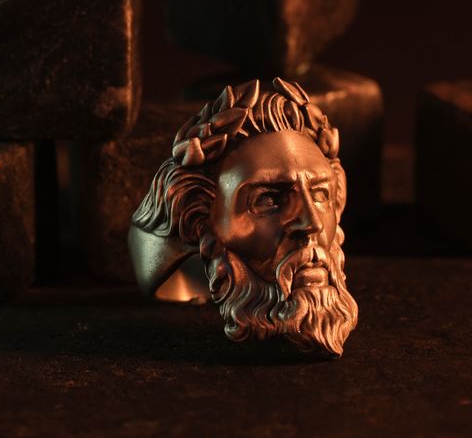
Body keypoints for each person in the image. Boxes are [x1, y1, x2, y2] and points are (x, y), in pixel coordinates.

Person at [128, 78, 358, 358]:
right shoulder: (190, 218)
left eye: (321, 194)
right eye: (269, 198)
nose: (313, 224)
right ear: (199, 214)